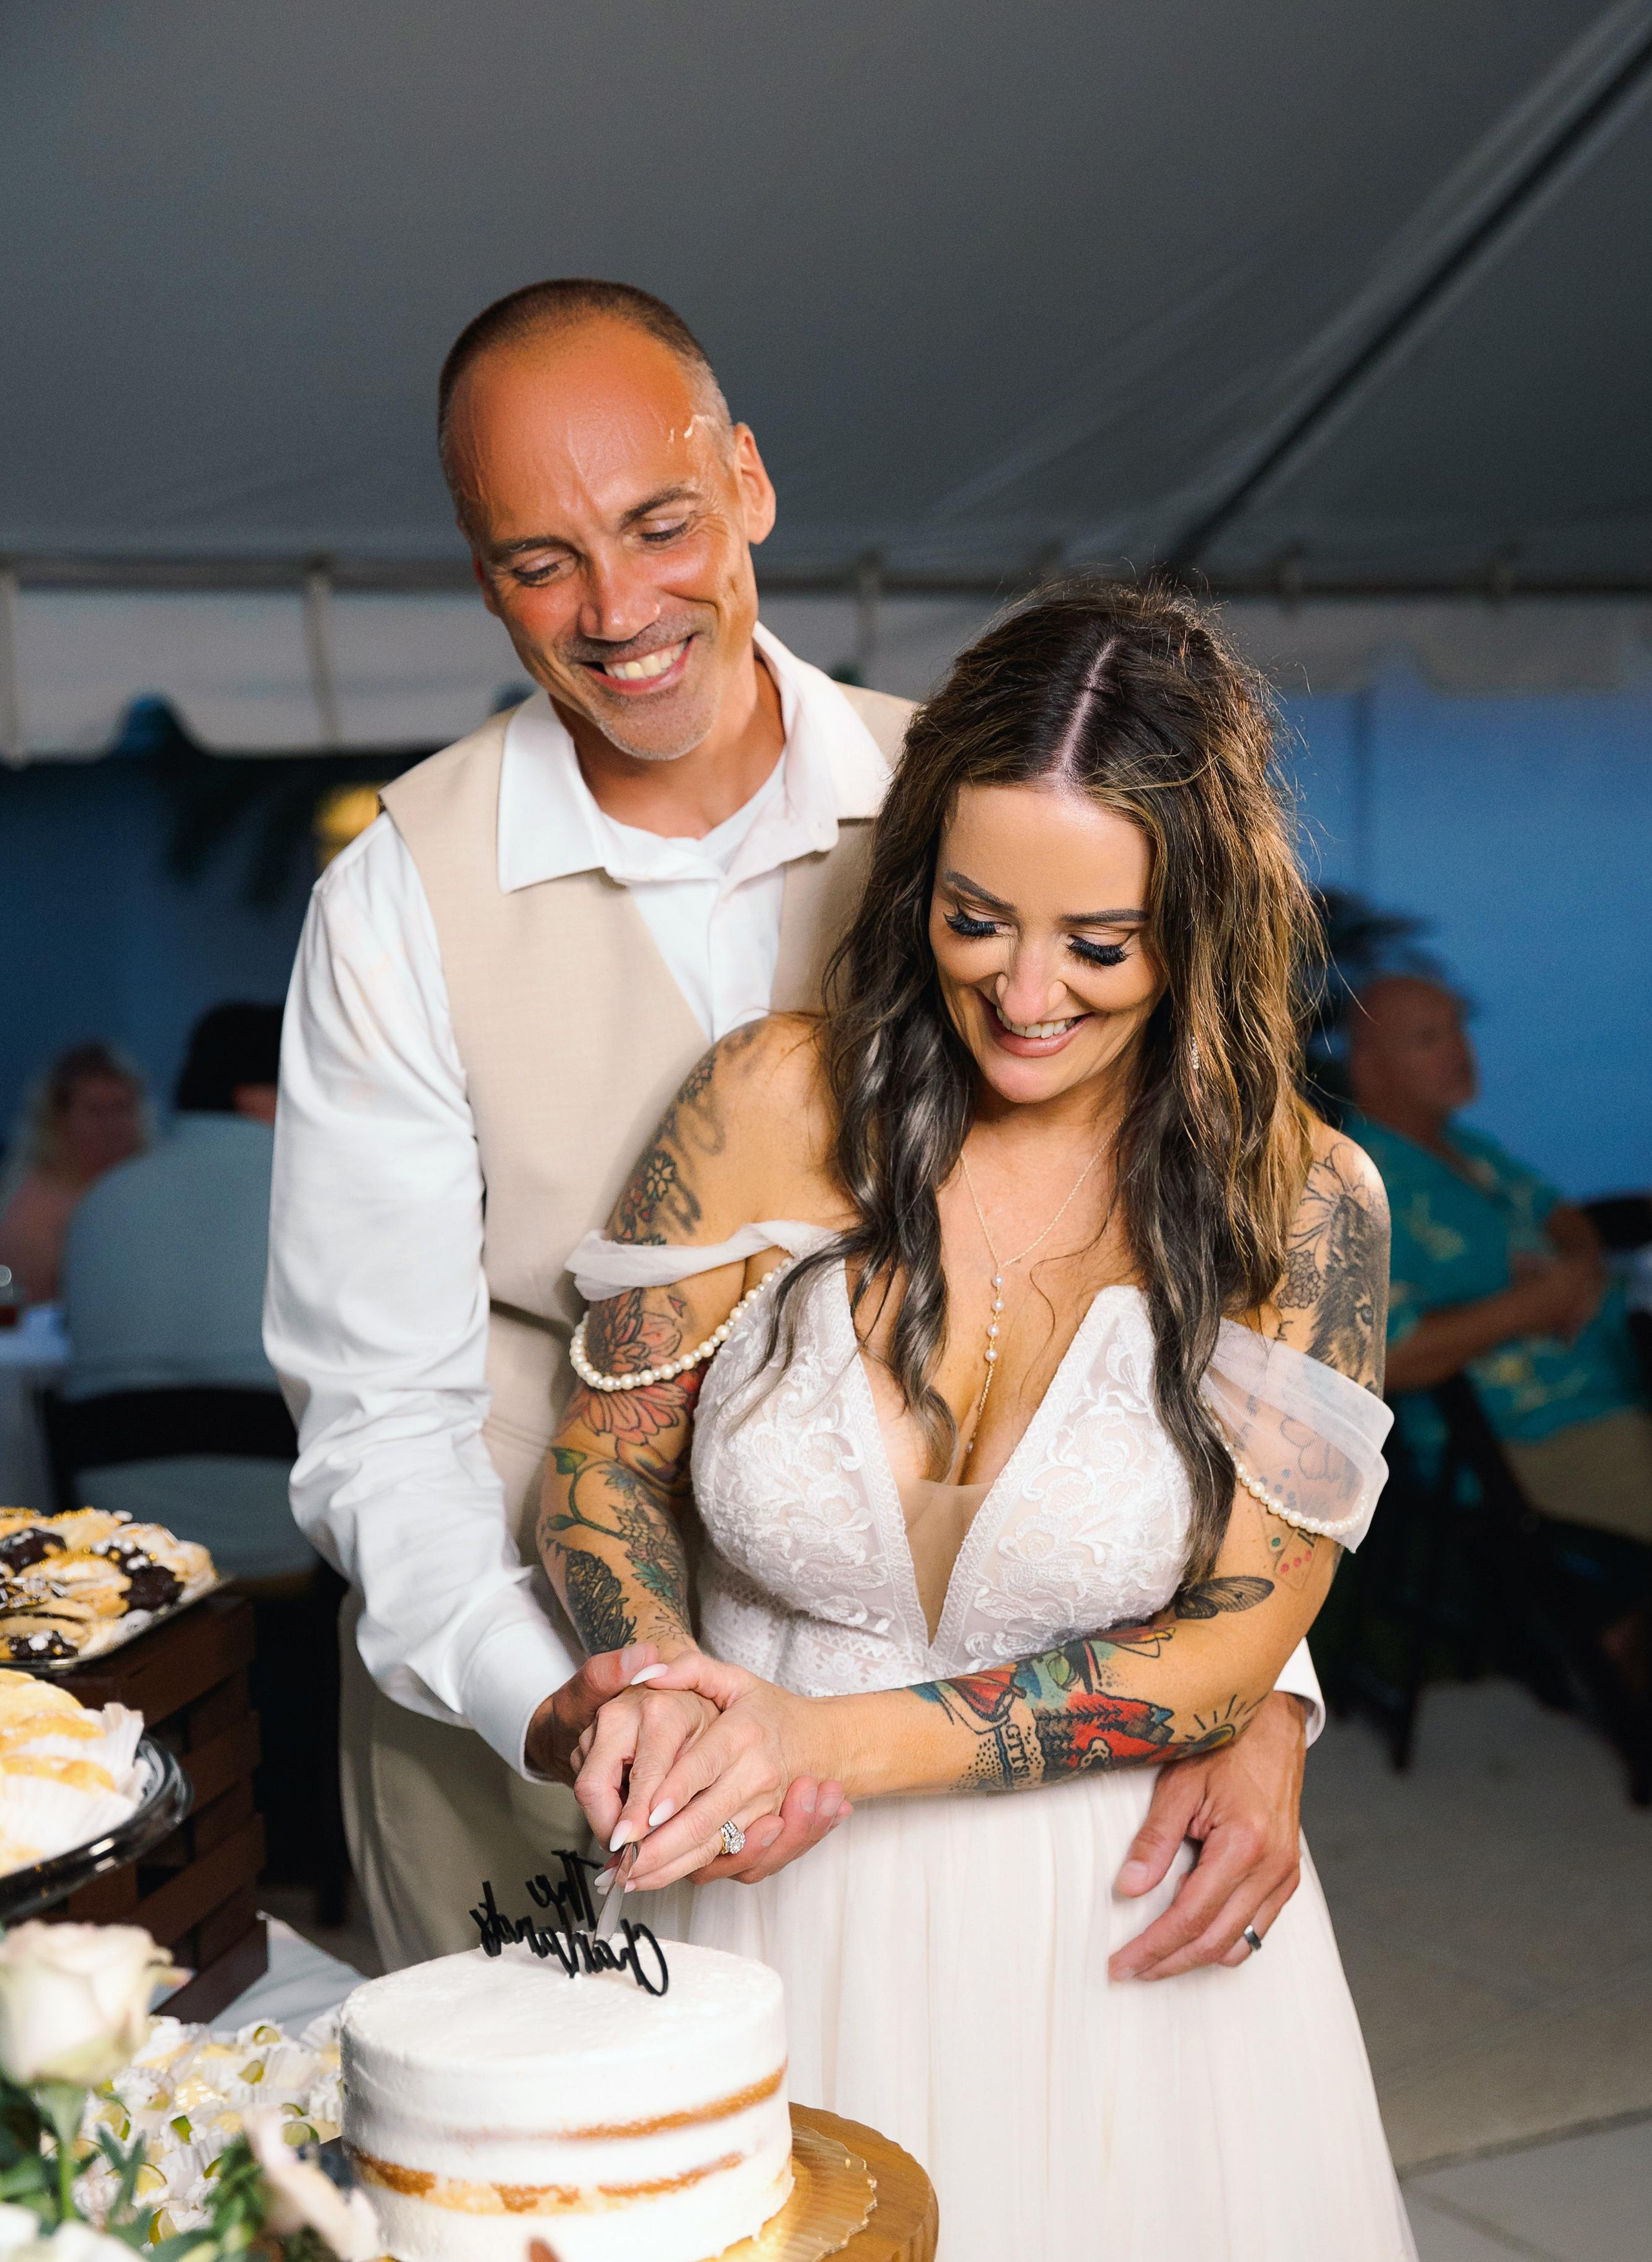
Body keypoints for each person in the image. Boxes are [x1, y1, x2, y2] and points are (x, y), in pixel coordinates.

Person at [266, 279, 1321, 1973]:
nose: (617, 608)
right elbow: (382, 1425)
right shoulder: (397, 900)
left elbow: (1218, 1271)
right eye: (542, 561)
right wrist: (572, 1710)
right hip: (524, 1730)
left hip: (938, 1753)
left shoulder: (987, 803)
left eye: (660, 523)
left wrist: (1265, 1689)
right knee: (562, 2225)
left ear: (748, 484)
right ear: (482, 578)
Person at [546, 584, 1471, 2262]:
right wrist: (647, 1669)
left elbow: (1232, 1634)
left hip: (1114, 1942)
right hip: (750, 1914)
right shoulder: (765, 1105)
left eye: (1100, 945)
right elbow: (600, 1461)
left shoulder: (1311, 1213)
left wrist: (830, 1743)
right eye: (975, 922)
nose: (1025, 995)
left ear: (1200, 929)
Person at [61, 1003, 337, 1883]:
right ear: (274, 1089)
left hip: (127, 1535)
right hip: (275, 1528)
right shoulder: (317, 1189)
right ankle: (307, 1839)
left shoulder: (109, 1195)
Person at [1345, 974, 1652, 1544]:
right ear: (1370, 1066)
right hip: (1524, 1441)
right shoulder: (1356, 1181)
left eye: (1459, 1029)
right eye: (1428, 1039)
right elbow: (1385, 1355)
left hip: (1613, 1397)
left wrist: (1580, 1268)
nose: (1459, 1052)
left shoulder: (1470, 1150)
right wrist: (1531, 1306)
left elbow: (1563, 1216)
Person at [0, 1042, 148, 1306]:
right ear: (59, 1118)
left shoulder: (150, 1184)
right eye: (95, 1111)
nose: (113, 1127)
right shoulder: (35, 1207)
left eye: (122, 1108)